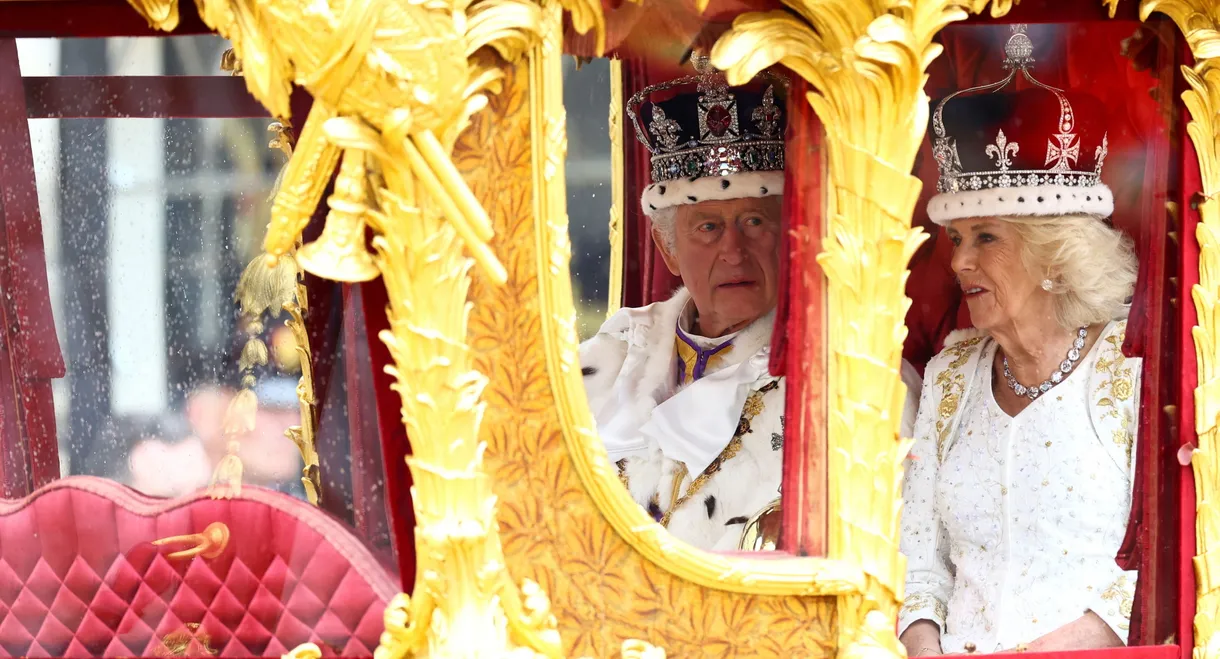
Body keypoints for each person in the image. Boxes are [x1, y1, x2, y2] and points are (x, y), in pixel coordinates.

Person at [580, 56, 922, 551]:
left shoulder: (854, 376)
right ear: (667, 252)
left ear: (791, 238)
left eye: (755, 222)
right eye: (708, 228)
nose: (734, 251)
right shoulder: (609, 355)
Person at [899, 27, 1141, 654]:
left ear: (1054, 256)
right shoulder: (951, 376)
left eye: (986, 238)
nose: (957, 264)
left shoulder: (1130, 367)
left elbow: (1148, 574)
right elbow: (920, 565)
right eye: (957, 239)